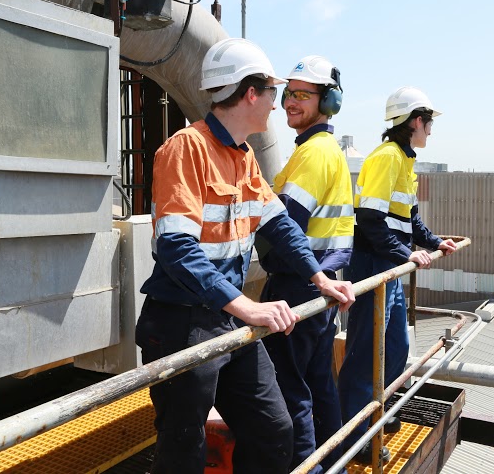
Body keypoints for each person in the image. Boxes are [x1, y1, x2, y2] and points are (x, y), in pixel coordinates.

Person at [134, 38, 354, 474]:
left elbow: (279, 224)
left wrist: (319, 278)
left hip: (227, 317)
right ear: (250, 93)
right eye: (273, 92)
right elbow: (176, 247)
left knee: (274, 429)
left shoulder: (243, 156)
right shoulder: (185, 149)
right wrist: (247, 307)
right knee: (183, 449)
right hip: (182, 323)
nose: (277, 104)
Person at [337, 86, 458, 464]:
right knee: (364, 353)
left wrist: (436, 241)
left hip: (390, 265)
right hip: (375, 265)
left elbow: (410, 219)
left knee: (395, 346)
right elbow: (370, 221)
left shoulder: (404, 159)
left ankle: (380, 413)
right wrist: (407, 253)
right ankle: (354, 439)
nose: (431, 130)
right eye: (429, 122)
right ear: (415, 121)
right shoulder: (387, 158)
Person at [257, 55, 353, 474]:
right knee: (318, 386)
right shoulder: (319, 149)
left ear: (327, 101)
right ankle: (332, 462)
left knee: (288, 390)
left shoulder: (313, 153)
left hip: (297, 285)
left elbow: (285, 227)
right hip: (319, 284)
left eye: (302, 94)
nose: (290, 102)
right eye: (288, 93)